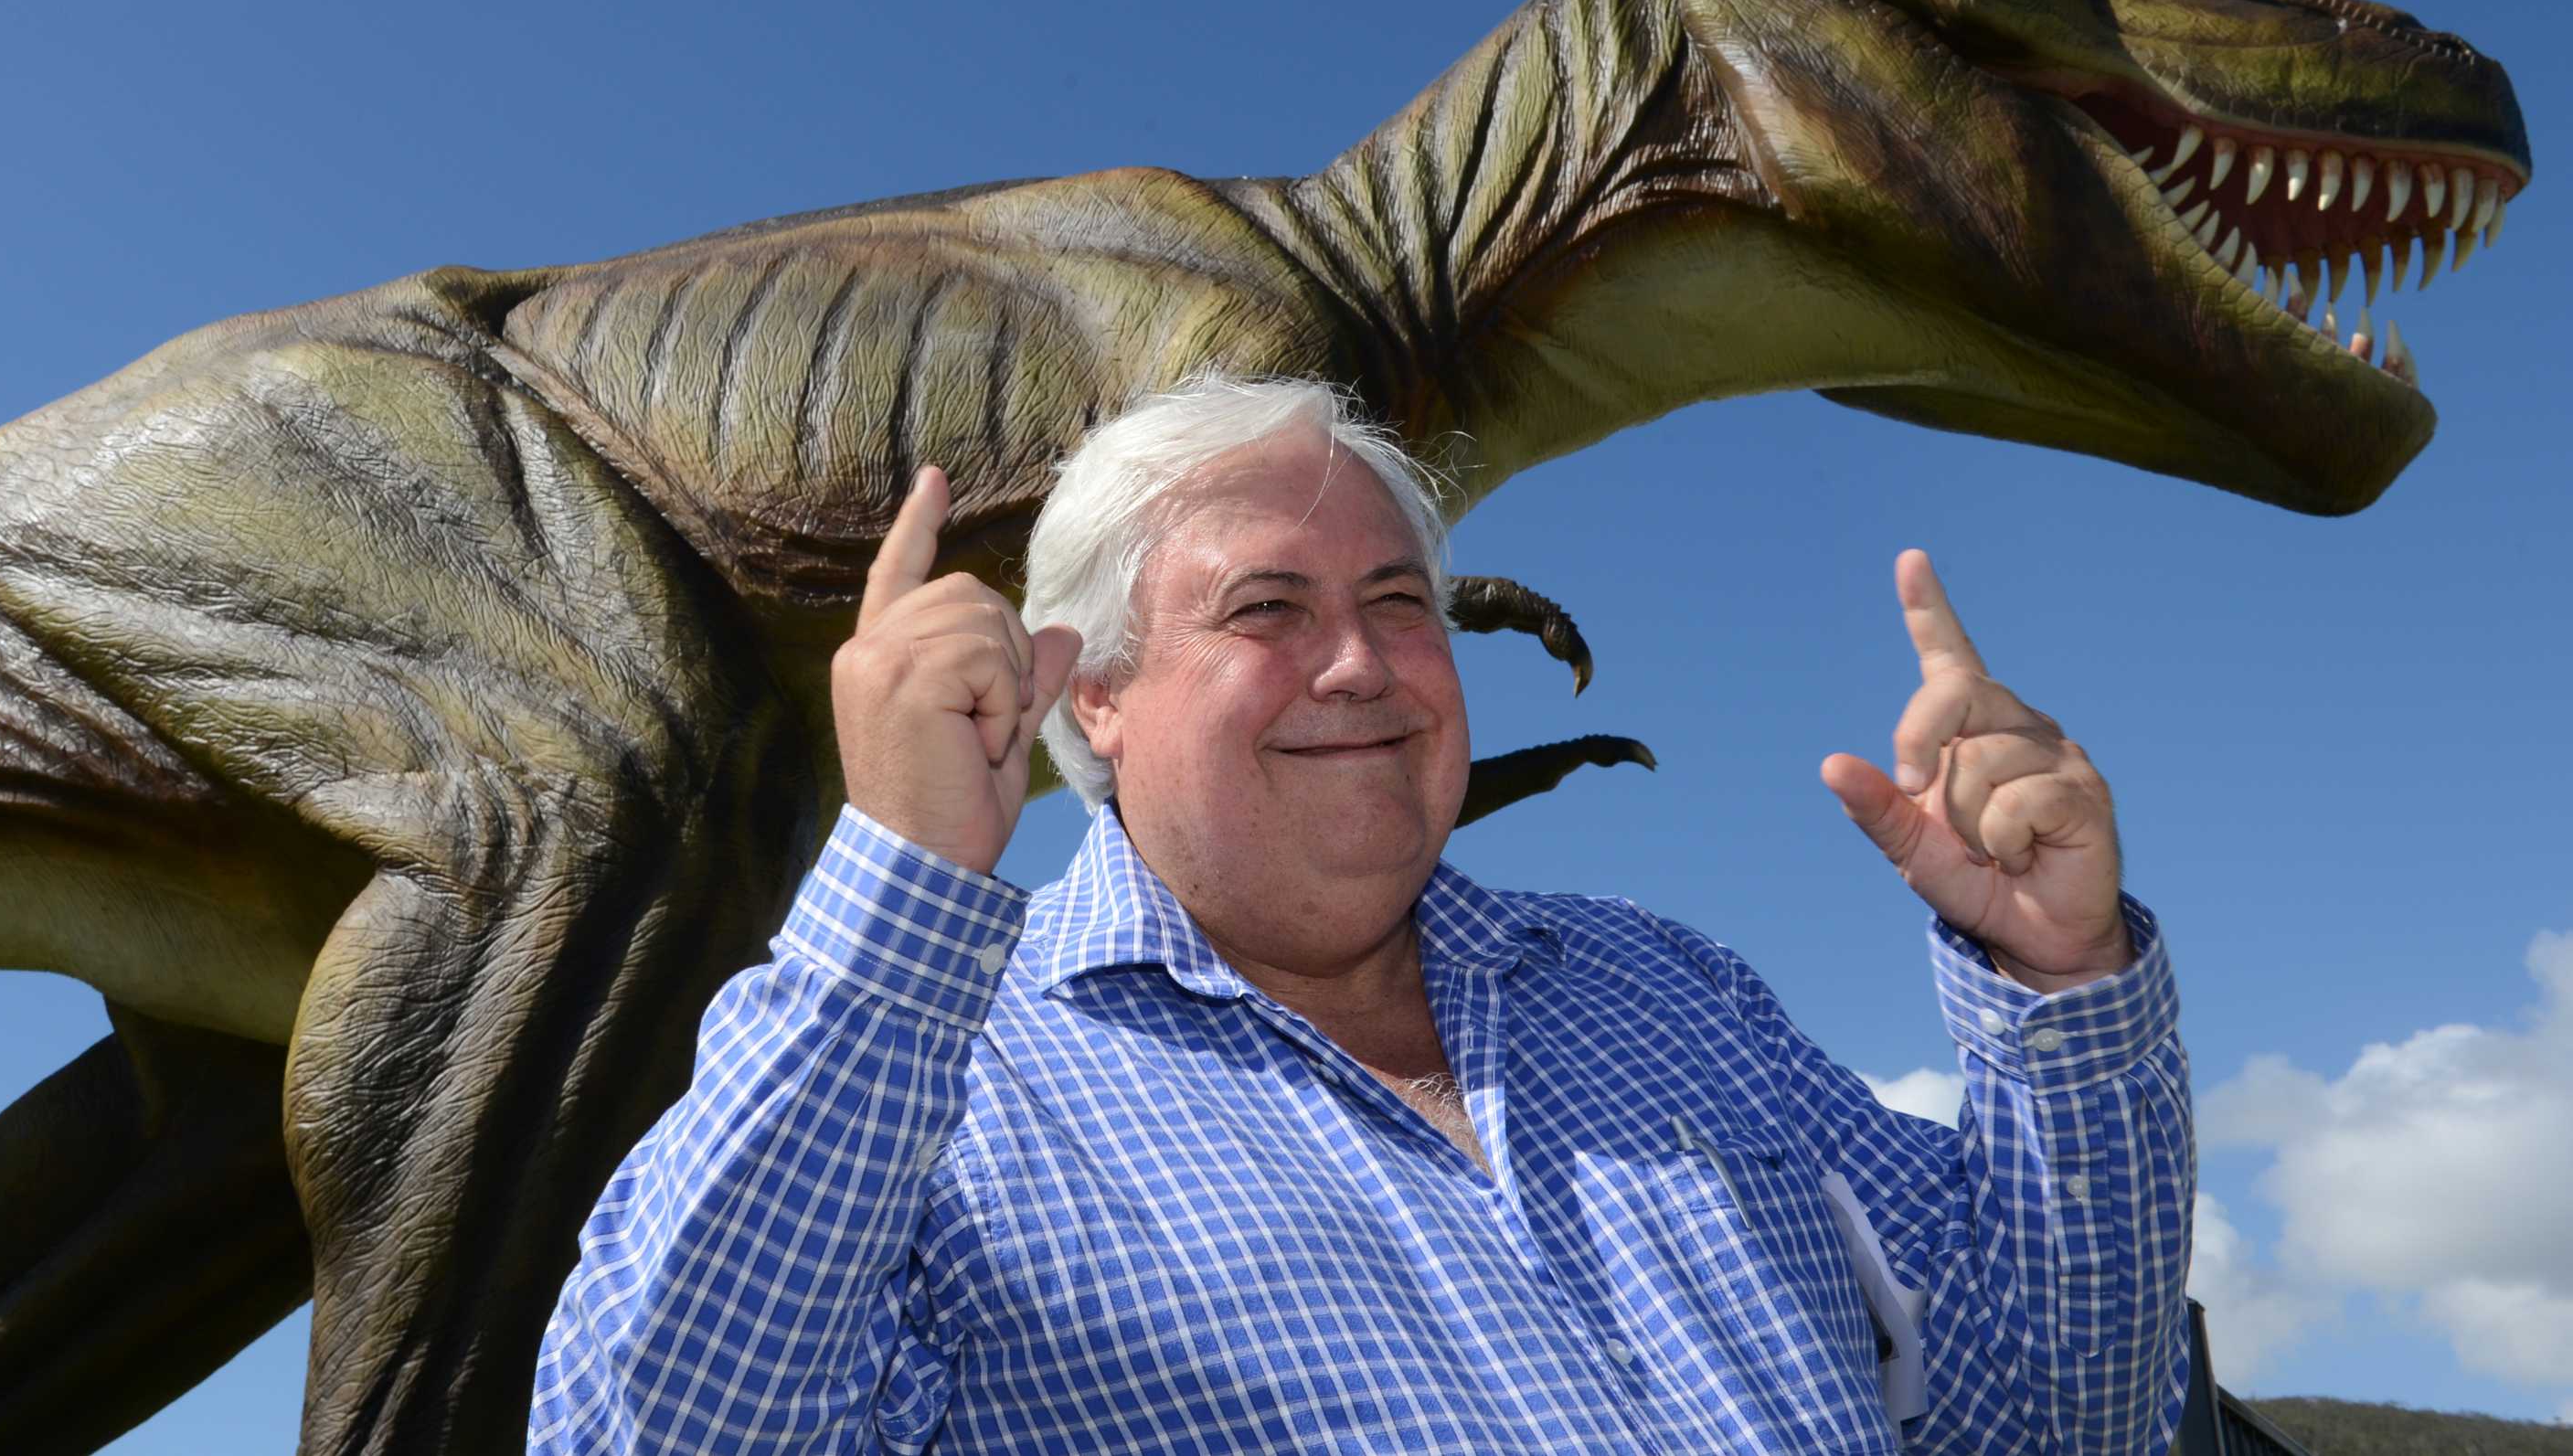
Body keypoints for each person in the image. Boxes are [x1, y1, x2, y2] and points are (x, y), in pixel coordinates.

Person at [529, 375, 2192, 1453]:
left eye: (1402, 603)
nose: (1363, 662)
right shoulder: (938, 1083)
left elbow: (2056, 1415)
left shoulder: (1664, 987)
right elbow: (661, 1432)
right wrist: (902, 881)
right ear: (1088, 696)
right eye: (1268, 608)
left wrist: (2062, 988)